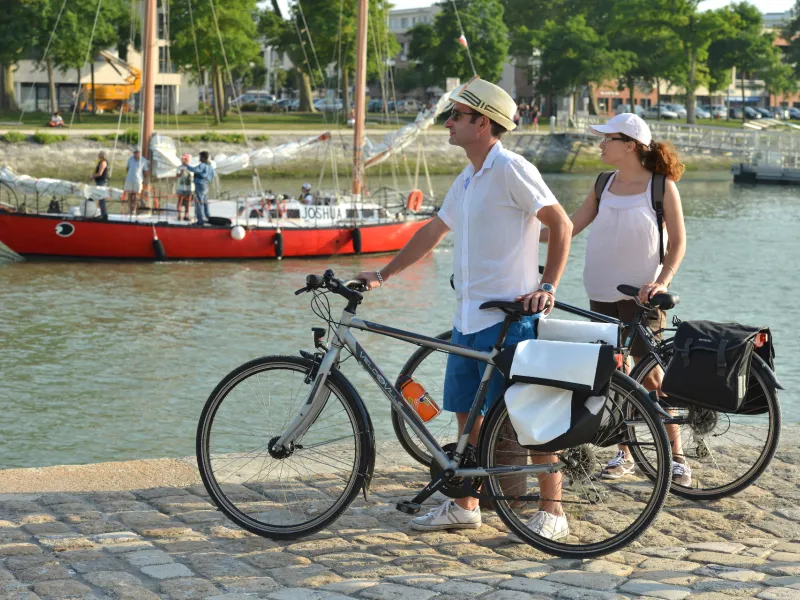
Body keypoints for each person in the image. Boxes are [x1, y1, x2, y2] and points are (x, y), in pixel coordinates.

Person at [356, 76, 573, 539]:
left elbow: (562, 223)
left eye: (457, 115)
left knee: (530, 417)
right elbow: (433, 231)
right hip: (467, 317)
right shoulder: (469, 177)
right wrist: (382, 274)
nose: (449, 122)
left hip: (509, 320)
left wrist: (547, 286)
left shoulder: (512, 169)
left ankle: (554, 511)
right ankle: (464, 503)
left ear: (483, 122)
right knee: (465, 417)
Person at [541, 112, 689, 486]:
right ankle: (625, 453)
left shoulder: (661, 186)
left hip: (643, 295)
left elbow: (678, 244)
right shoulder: (603, 183)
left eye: (608, 138)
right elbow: (570, 228)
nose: (601, 144)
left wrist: (661, 282)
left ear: (630, 145)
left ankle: (677, 455)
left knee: (652, 374)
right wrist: (522, 234)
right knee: (616, 373)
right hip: (600, 291)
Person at [183, 151, 215, 225]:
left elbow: (195, 170)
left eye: (200, 157)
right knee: (205, 202)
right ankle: (208, 217)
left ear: (203, 157)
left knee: (199, 202)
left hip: (200, 185)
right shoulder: (210, 166)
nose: (199, 158)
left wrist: (186, 165)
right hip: (206, 185)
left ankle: (200, 221)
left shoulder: (202, 165)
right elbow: (213, 175)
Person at [124, 146, 149, 215]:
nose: (136, 154)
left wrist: (144, 179)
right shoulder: (130, 159)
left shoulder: (143, 160)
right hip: (129, 179)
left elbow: (146, 172)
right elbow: (127, 169)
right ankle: (130, 209)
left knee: (135, 195)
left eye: (137, 152)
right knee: (129, 195)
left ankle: (134, 209)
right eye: (135, 152)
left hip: (138, 180)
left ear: (139, 153)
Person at [88, 151, 109, 219]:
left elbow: (100, 173)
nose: (98, 155)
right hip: (99, 181)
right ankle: (102, 213)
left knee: (101, 198)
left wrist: (92, 176)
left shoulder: (103, 162)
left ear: (102, 155)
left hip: (102, 182)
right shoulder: (100, 162)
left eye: (99, 154)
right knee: (99, 198)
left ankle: (104, 214)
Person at [175, 154, 194, 221]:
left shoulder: (192, 167)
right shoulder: (179, 167)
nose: (183, 160)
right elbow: (177, 176)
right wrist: (180, 173)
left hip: (189, 188)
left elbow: (193, 176)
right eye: (182, 159)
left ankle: (186, 215)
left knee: (187, 202)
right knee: (179, 201)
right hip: (180, 188)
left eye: (185, 159)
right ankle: (179, 215)